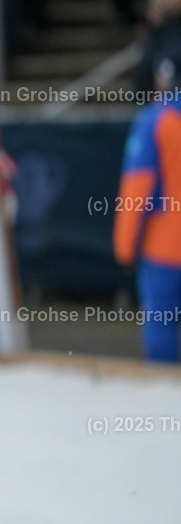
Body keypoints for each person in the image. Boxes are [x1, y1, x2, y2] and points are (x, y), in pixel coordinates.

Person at [113, 46, 181, 362]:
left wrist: (125, 246)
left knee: (162, 338)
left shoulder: (157, 120)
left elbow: (137, 189)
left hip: (165, 249)